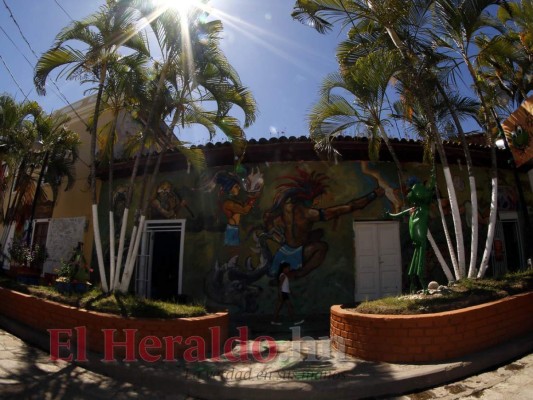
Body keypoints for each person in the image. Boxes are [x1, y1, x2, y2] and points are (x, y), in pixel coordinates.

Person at [265, 168, 385, 278]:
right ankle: (300, 273)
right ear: (309, 199)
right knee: (322, 247)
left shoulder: (286, 207)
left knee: (319, 233)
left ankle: (286, 270)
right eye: (315, 199)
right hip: (296, 254)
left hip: (283, 250)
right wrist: (373, 195)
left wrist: (276, 235)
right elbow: (349, 207)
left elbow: (267, 217)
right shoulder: (310, 214)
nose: (317, 203)